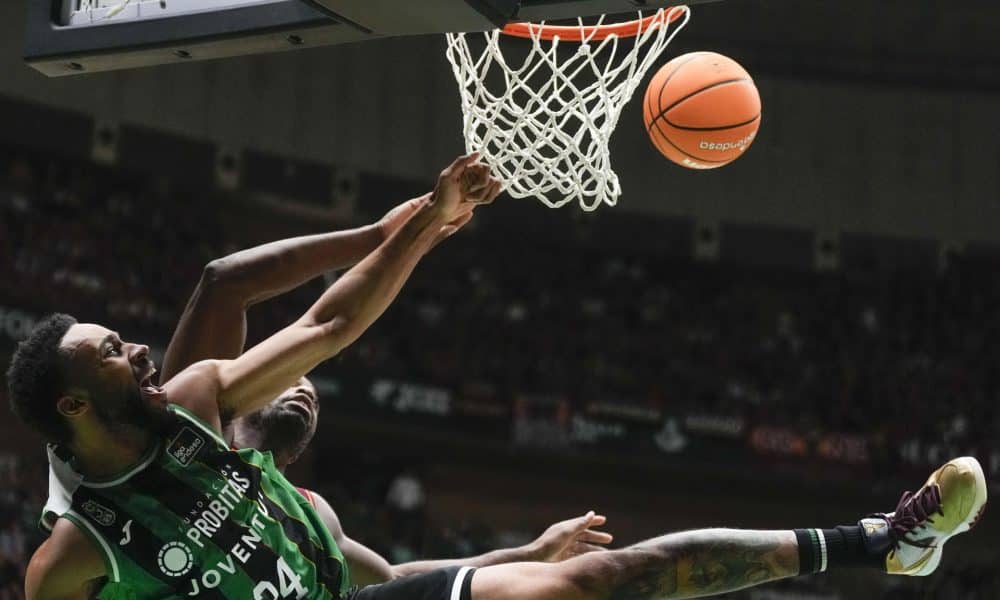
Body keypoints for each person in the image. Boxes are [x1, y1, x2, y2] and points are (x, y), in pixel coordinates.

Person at [6, 154, 989, 599]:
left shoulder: (204, 407)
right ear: (76, 406)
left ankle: (877, 542)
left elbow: (328, 321)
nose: (137, 350)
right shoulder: (76, 552)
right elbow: (227, 282)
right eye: (110, 353)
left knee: (597, 577)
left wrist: (422, 226)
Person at [227, 376, 614, 586]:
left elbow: (394, 577)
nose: (305, 395)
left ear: (300, 451)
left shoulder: (313, 513)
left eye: (313, 396)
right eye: (291, 382)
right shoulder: (202, 440)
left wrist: (533, 553)